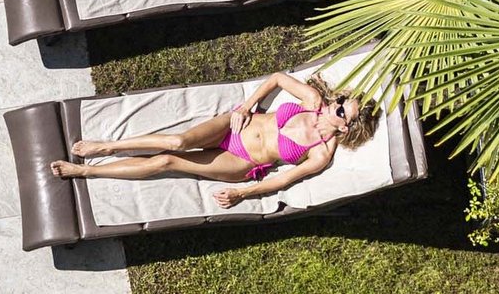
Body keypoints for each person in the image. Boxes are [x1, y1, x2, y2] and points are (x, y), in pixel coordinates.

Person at [50, 71, 379, 208]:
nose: (334, 107)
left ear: (345, 127)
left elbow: (281, 181)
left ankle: (86, 172)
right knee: (178, 141)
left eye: (341, 112)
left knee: (168, 161)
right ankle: (105, 146)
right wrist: (246, 105)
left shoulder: (321, 153)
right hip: (233, 126)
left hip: (240, 161)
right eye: (339, 102)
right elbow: (277, 79)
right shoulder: (311, 101)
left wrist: (241, 192)